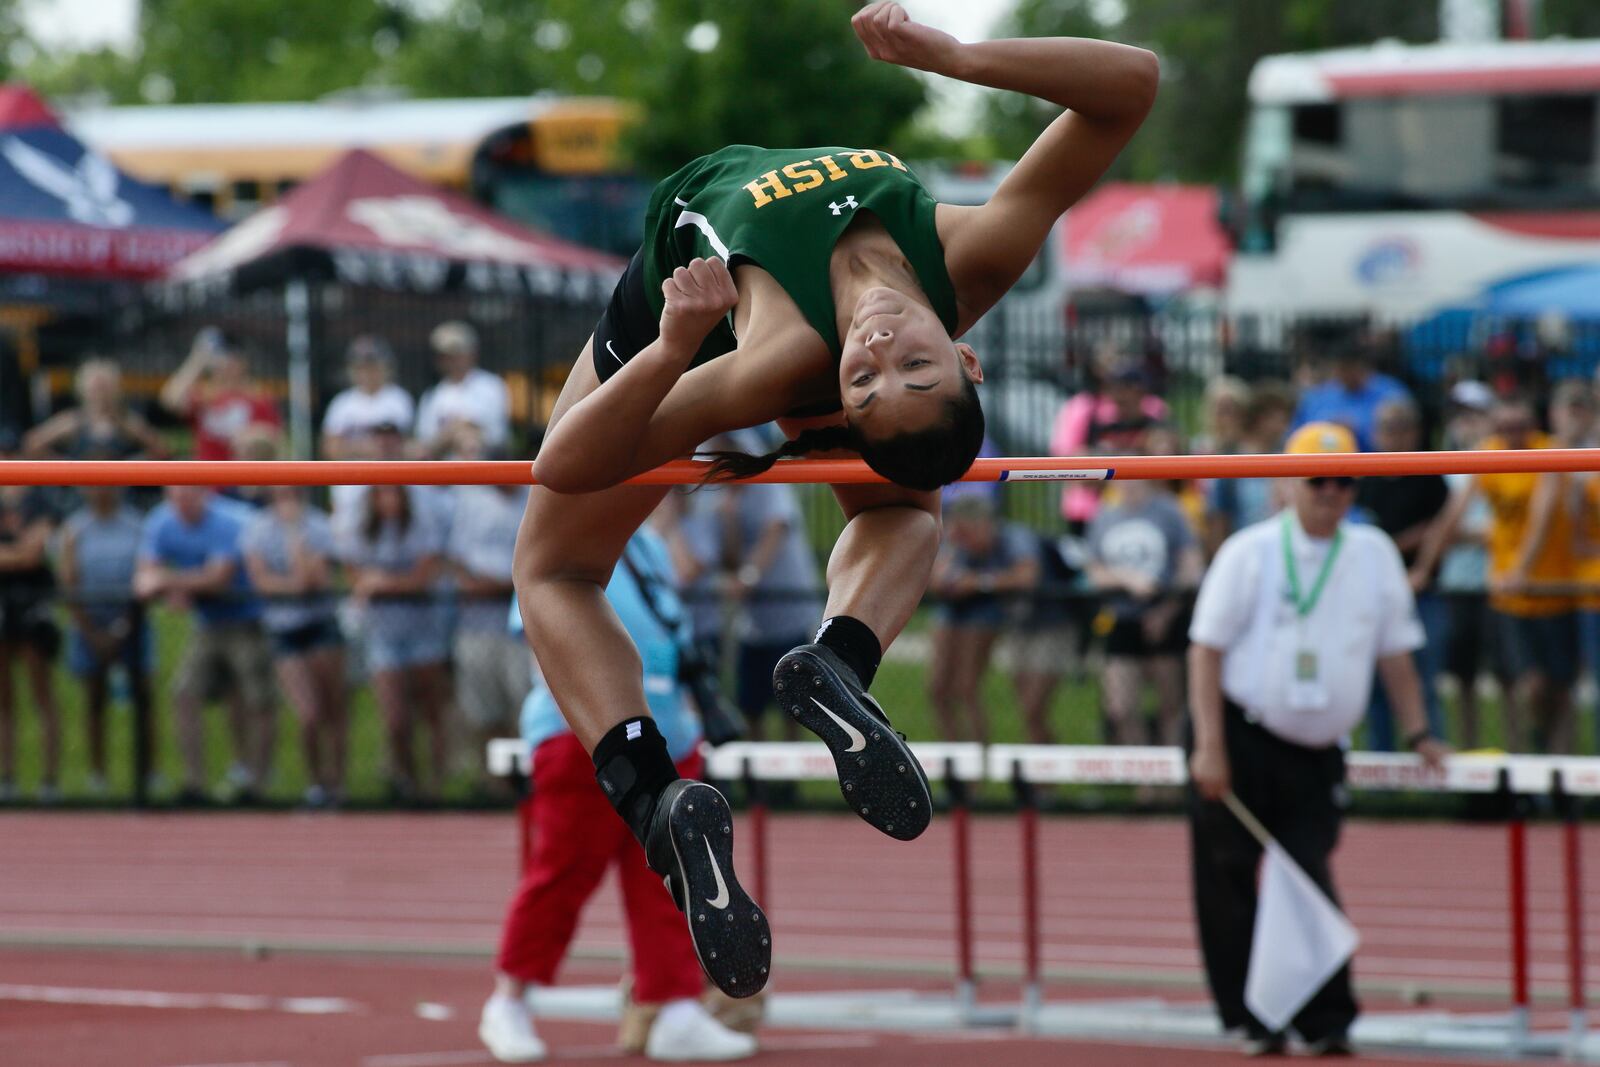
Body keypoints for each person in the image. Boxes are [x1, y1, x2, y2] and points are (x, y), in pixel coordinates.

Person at [512, 5, 1158, 997]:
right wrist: (955, 58)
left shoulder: (776, 360)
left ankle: (652, 800)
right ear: (965, 349)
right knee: (905, 503)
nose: (878, 353)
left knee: (553, 568)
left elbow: (566, 462)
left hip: (677, 310)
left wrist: (673, 346)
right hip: (738, 321)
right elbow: (1133, 84)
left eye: (871, 383)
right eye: (913, 367)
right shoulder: (974, 258)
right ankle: (839, 658)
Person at [1187, 422, 1449, 1056]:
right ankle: (1253, 1017)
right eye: (1318, 481)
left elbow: (1397, 654)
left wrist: (1419, 731)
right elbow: (1205, 650)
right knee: (1229, 876)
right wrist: (1209, 744)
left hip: (1318, 748)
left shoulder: (1375, 551)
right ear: (1288, 486)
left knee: (1306, 876)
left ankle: (1325, 1018)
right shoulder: (1249, 551)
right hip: (1240, 733)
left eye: (1344, 482)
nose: (1332, 493)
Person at [480, 523, 757, 1063]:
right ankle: (509, 1000)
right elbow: (541, 632)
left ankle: (674, 1006)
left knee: (672, 879)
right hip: (583, 733)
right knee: (563, 871)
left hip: (668, 733)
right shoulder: (555, 531)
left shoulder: (650, 544)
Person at [1412, 393, 1577, 753]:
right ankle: (1538, 753)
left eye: (1520, 427)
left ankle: (1559, 767)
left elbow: (1542, 517)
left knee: (1560, 687)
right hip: (1511, 593)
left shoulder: (1548, 451)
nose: (1512, 436)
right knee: (1528, 684)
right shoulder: (1490, 453)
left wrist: (1523, 567)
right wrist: (1425, 567)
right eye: (1504, 428)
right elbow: (1451, 516)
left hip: (1552, 587)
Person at [135, 486, 275, 804]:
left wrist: (169, 582)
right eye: (176, 497)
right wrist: (173, 585)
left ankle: (257, 784)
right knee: (184, 693)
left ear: (204, 494)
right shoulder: (161, 521)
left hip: (248, 619)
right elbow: (145, 575)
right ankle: (194, 783)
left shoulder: (228, 521)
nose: (183, 504)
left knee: (256, 698)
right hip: (209, 622)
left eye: (189, 496)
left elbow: (218, 578)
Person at [339, 484, 451, 803]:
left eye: (394, 493)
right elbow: (354, 577)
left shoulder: (420, 527)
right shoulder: (361, 531)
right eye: (381, 493)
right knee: (395, 717)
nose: (388, 500)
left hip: (423, 628)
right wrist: (379, 583)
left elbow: (423, 576)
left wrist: (382, 583)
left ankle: (437, 783)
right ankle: (406, 780)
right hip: (382, 632)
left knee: (432, 709)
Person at [1085, 445, 1203, 747]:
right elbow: (1094, 570)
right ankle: (1144, 780)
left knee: (1171, 703)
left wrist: (1166, 608)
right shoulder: (1104, 517)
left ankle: (1172, 778)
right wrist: (1127, 579)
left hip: (1165, 615)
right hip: (1122, 617)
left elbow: (1190, 564)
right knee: (1121, 706)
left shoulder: (1169, 510)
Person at [241, 486, 348, 808]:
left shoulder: (318, 526)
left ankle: (338, 784)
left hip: (321, 623)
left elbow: (313, 579)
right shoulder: (257, 529)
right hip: (284, 630)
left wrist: (294, 541)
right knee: (309, 714)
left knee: (334, 710)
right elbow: (262, 582)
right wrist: (293, 578)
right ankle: (316, 783)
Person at [1355, 398, 1450, 749]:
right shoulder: (1364, 479)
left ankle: (1434, 765)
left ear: (1416, 431)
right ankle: (1382, 776)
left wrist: (1419, 567)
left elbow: (1441, 525)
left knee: (1424, 680)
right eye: (1385, 428)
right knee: (1375, 685)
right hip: (1375, 594)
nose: (1393, 436)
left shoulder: (1429, 474)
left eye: (1400, 427)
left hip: (1419, 591)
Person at [59, 484, 150, 796]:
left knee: (143, 695)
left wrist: (125, 625)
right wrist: (92, 632)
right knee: (94, 697)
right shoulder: (76, 527)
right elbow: (69, 580)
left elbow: (145, 572)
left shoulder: (136, 524)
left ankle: (148, 774)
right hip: (89, 620)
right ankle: (98, 772)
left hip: (132, 617)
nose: (102, 491)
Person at [926, 496, 1040, 742]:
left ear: (985, 525)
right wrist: (949, 574)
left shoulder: (1014, 537)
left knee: (965, 687)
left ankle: (977, 760)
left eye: (967, 532)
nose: (960, 538)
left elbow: (1026, 577)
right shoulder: (954, 540)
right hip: (951, 609)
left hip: (987, 608)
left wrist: (978, 582)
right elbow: (935, 580)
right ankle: (952, 755)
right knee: (937, 688)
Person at [448, 480, 533, 781]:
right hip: (477, 622)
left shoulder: (535, 495)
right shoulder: (469, 501)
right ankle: (495, 785)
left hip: (523, 626)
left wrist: (505, 585)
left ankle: (524, 782)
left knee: (523, 706)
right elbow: (455, 562)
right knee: (483, 710)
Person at [0, 431, 63, 802]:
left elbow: (32, 555)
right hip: (4, 600)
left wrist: (16, 554)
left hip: (32, 599)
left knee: (42, 690)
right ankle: (7, 776)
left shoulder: (40, 498)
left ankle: (50, 780)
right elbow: (22, 552)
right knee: (4, 696)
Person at [1050, 347, 1169, 533]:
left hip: (1147, 506)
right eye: (1118, 390)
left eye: (1130, 390)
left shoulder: (1154, 414)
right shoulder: (1091, 414)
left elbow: (1166, 463)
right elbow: (1071, 461)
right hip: (1095, 509)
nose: (1122, 396)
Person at [159, 327, 282, 462]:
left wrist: (251, 437)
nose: (224, 365)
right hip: (207, 475)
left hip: (242, 476)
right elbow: (171, 400)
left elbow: (273, 437)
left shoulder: (257, 396)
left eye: (230, 358)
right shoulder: (205, 395)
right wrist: (197, 361)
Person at [23, 359, 166, 463]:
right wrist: (65, 465)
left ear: (115, 390)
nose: (100, 395)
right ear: (83, 390)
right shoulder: (72, 421)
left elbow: (160, 449)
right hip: (79, 494)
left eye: (104, 388)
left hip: (120, 493)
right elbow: (33, 443)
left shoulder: (126, 421)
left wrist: (130, 465)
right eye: (96, 389)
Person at [1288, 337, 1410, 453]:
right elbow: (1297, 435)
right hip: (1318, 466)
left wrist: (1356, 432)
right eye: (1341, 368)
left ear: (1364, 366)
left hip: (1375, 467)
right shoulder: (1318, 397)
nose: (1346, 374)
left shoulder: (1391, 392)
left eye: (1351, 367)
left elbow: (1403, 437)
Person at [415, 321, 511, 456]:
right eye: (447, 354)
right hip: (444, 473)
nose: (452, 360)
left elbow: (498, 437)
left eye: (458, 353)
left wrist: (467, 432)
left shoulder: (492, 386)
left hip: (485, 471)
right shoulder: (432, 395)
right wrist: (451, 434)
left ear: (472, 353)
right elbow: (424, 447)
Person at [320, 335, 415, 460]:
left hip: (388, 473)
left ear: (385, 367)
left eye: (372, 366)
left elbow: (410, 447)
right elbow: (330, 449)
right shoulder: (342, 402)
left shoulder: (399, 399)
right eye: (361, 367)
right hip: (352, 475)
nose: (367, 373)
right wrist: (364, 448)